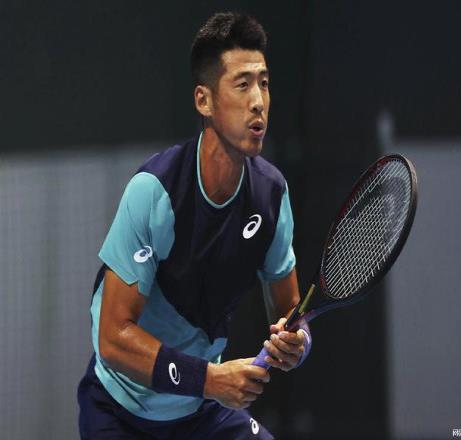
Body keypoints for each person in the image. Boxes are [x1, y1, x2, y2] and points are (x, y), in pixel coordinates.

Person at [77, 11, 311, 439]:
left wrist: (298, 342)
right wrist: (210, 380)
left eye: (264, 83)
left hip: (201, 411)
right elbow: (112, 337)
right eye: (242, 84)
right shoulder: (156, 191)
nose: (258, 101)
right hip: (121, 411)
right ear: (204, 101)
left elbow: (290, 311)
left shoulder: (271, 195)